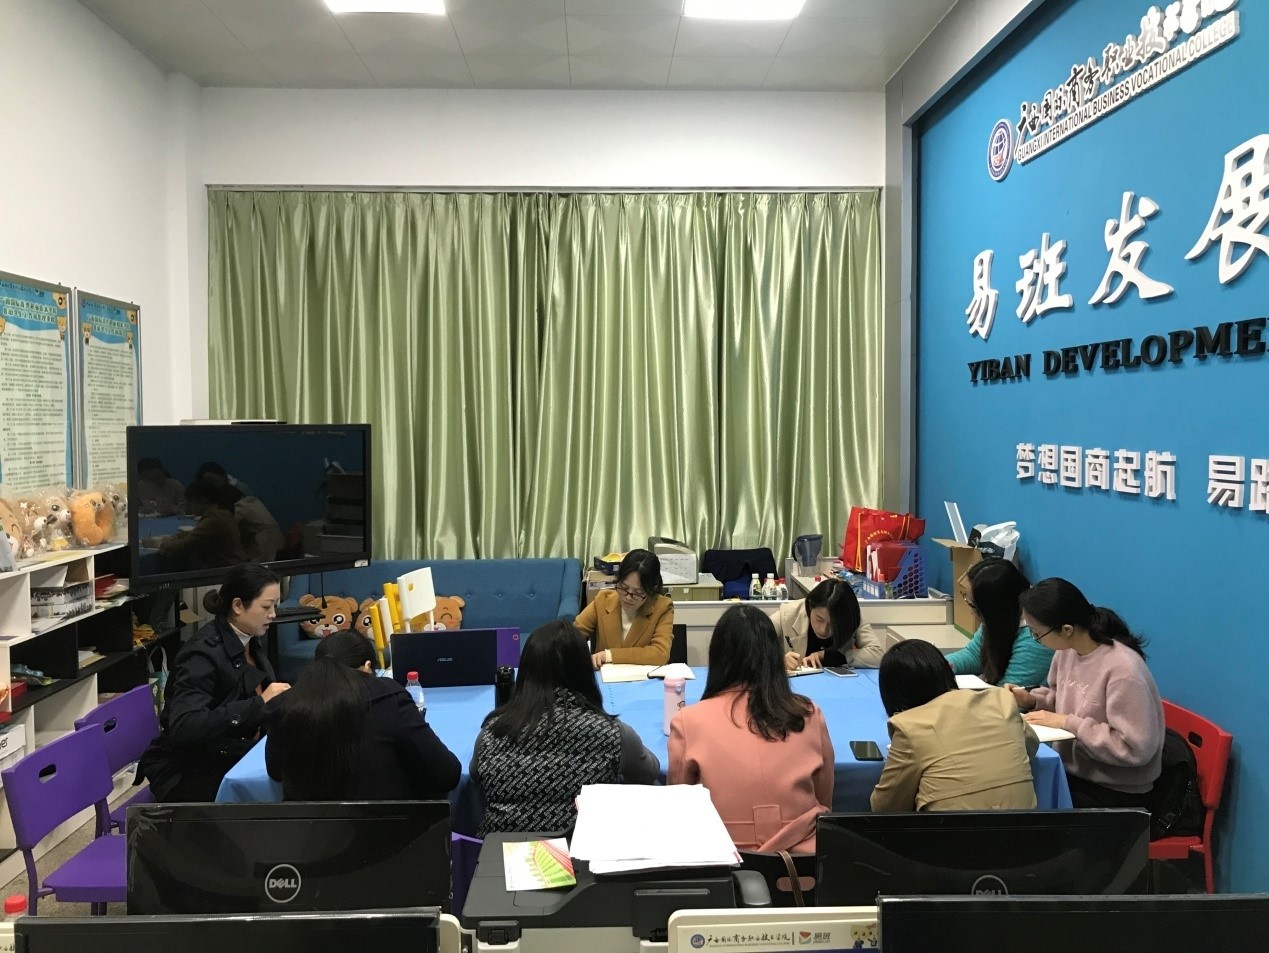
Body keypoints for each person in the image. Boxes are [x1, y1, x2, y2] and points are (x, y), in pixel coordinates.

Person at [669, 605, 833, 853]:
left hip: (724, 864)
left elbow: (680, 810)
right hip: (803, 866)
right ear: (774, 656)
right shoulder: (808, 714)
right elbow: (824, 800)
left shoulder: (689, 721)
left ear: (718, 657)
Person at [471, 620, 659, 836]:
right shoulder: (612, 734)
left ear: (525, 672)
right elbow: (649, 772)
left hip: (500, 853)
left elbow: (476, 775)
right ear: (584, 672)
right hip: (585, 853)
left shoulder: (493, 732)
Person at [138, 564, 291, 801]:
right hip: (186, 770)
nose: (273, 614)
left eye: (275, 606)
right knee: (287, 787)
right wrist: (259, 704)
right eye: (266, 607)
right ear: (238, 606)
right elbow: (185, 726)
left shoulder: (250, 639)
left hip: (226, 752)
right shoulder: (200, 655)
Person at [1010, 577, 1164, 809]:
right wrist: (1032, 700)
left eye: (1036, 634)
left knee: (1029, 811)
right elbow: (1063, 699)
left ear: (1067, 630)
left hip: (1117, 789)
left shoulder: (1123, 671)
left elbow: (1135, 749)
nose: (1036, 640)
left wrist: (1067, 723)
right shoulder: (1067, 651)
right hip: (1077, 773)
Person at [264, 631, 460, 801]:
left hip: (309, 830)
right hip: (389, 828)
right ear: (367, 666)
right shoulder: (389, 697)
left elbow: (275, 771)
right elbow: (447, 774)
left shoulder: (285, 705)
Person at [870, 640, 1038, 812]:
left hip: (955, 827)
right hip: (1026, 824)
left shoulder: (909, 725)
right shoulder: (1000, 700)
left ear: (893, 693)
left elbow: (885, 807)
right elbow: (1031, 744)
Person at [946, 558, 1053, 687]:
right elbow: (974, 655)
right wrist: (939, 666)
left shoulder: (1035, 638)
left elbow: (1008, 692)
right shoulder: (1001, 618)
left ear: (993, 609)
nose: (972, 613)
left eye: (974, 605)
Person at [573, 549, 674, 668]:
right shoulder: (603, 600)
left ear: (651, 590)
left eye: (637, 593)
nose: (628, 597)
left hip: (643, 678)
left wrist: (609, 655)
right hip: (606, 677)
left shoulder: (662, 607)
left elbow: (660, 654)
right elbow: (573, 635)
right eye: (624, 588)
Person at [773, 577, 884, 671]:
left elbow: (878, 655)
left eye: (833, 624)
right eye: (819, 619)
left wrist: (835, 657)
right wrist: (779, 661)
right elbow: (760, 650)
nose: (824, 629)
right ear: (810, 606)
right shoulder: (787, 614)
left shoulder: (850, 617)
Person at [154, 478, 248, 569]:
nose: (189, 508)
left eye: (190, 503)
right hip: (230, 565)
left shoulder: (215, 519)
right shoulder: (222, 513)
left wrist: (165, 543)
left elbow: (184, 545)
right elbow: (195, 535)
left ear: (202, 500)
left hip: (223, 570)